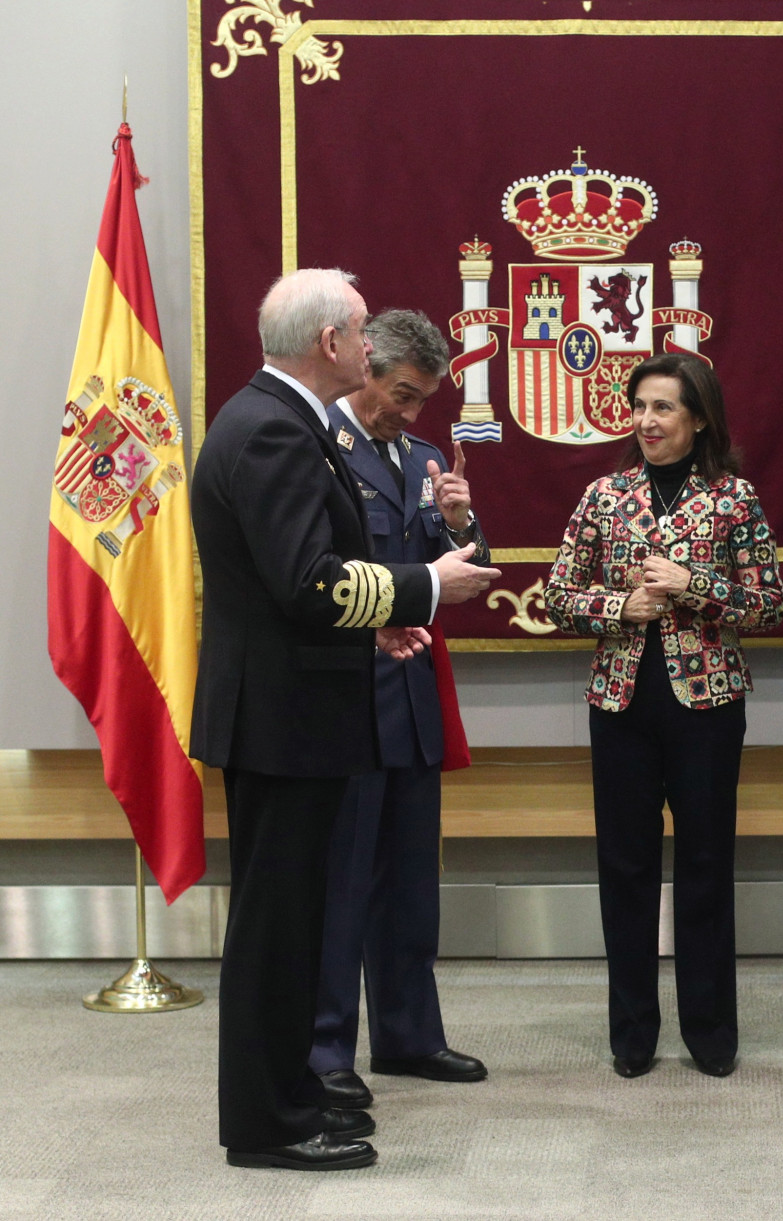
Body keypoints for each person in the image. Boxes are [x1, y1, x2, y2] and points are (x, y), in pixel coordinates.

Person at [190, 269, 499, 1171]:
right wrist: (424, 586)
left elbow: (312, 583)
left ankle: (287, 1100)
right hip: (284, 721)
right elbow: (308, 581)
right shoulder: (277, 431)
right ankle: (269, 1121)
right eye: (364, 336)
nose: (370, 349)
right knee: (278, 932)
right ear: (331, 344)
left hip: (294, 713)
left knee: (288, 924)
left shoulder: (276, 420)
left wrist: (388, 613)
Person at [545, 353, 783, 1080]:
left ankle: (710, 1030)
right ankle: (632, 1032)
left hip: (707, 705)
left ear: (699, 418)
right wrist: (618, 605)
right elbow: (557, 594)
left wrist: (693, 584)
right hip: (619, 704)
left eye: (663, 408)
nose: (646, 421)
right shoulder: (603, 494)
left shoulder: (733, 498)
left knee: (706, 865)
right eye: (638, 406)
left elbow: (769, 603)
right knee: (624, 867)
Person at [311, 310, 489, 1111]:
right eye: (403, 395)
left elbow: (451, 573)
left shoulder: (419, 459)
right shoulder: (320, 447)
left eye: (422, 400)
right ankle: (323, 1049)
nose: (412, 414)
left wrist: (459, 523)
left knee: (411, 883)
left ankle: (411, 1036)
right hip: (348, 697)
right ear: (366, 369)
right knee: (340, 885)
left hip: (412, 700)